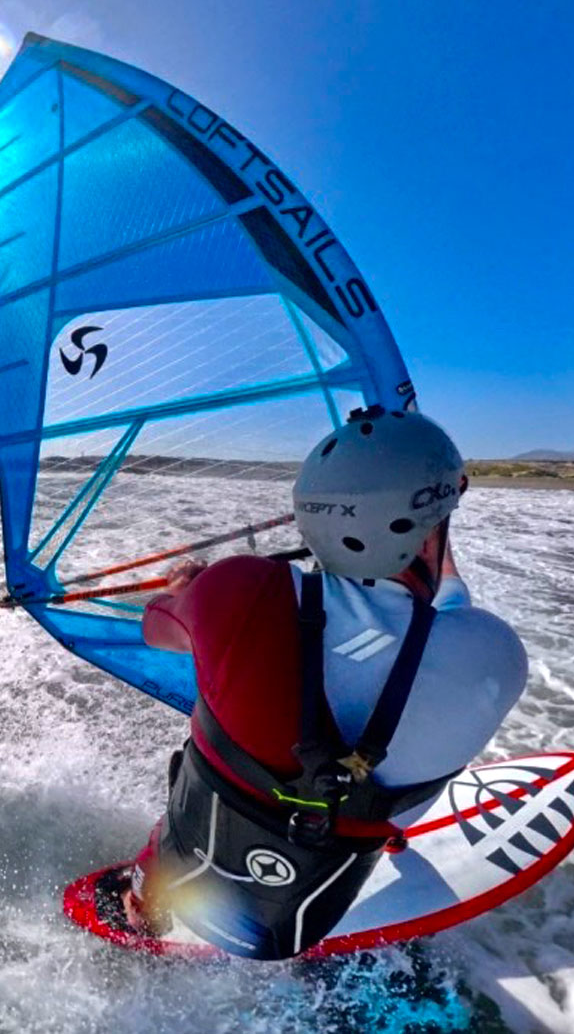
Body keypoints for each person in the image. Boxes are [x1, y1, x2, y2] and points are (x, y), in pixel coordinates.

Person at [101, 406, 530, 960]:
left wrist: (190, 592)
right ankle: (393, 843)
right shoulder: (496, 657)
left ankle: (143, 904)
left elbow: (156, 624)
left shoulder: (238, 594)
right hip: (310, 908)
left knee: (212, 763)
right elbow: (447, 599)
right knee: (394, 763)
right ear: (428, 534)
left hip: (197, 842)